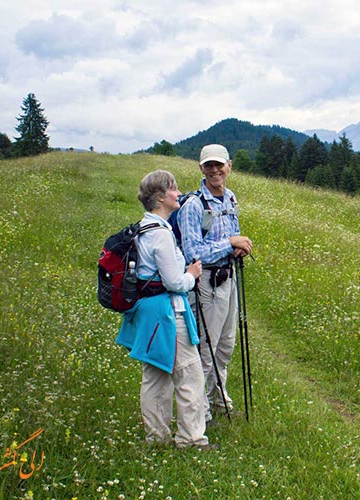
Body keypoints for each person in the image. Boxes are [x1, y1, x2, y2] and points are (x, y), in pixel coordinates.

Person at [116, 170, 217, 449]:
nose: (177, 193)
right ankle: (192, 439)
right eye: (173, 189)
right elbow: (174, 282)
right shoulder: (160, 233)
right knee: (189, 374)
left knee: (156, 375)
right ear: (160, 197)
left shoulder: (144, 228)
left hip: (148, 315)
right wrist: (192, 275)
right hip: (168, 313)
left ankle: (157, 438)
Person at [178, 144, 253, 424]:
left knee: (225, 346)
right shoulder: (193, 206)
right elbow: (192, 253)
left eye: (219, 164)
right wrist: (229, 243)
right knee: (206, 350)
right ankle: (200, 409)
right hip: (206, 283)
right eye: (208, 165)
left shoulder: (230, 199)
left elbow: (231, 235)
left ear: (229, 166)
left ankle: (218, 397)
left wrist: (237, 247)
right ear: (201, 168)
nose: (214, 170)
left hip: (228, 277)